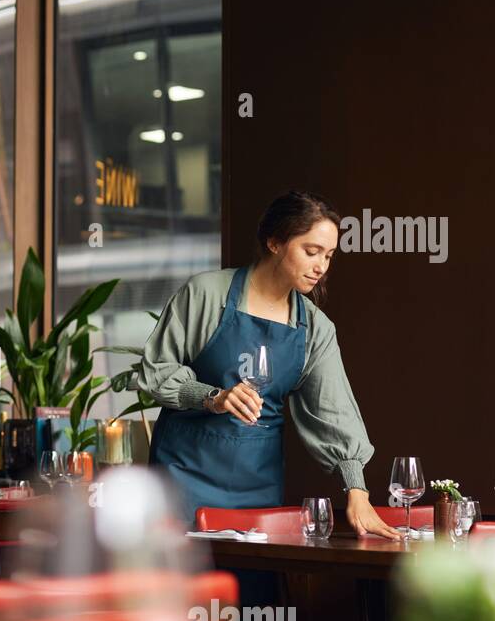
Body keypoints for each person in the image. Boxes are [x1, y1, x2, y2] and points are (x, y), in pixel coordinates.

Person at [141, 189, 399, 541]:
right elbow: (156, 370)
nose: (321, 266)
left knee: (254, 590)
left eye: (329, 255)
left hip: (258, 490)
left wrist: (357, 491)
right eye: (311, 251)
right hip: (183, 482)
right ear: (275, 242)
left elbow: (334, 411)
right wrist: (212, 396)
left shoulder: (315, 327)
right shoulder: (205, 294)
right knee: (188, 591)